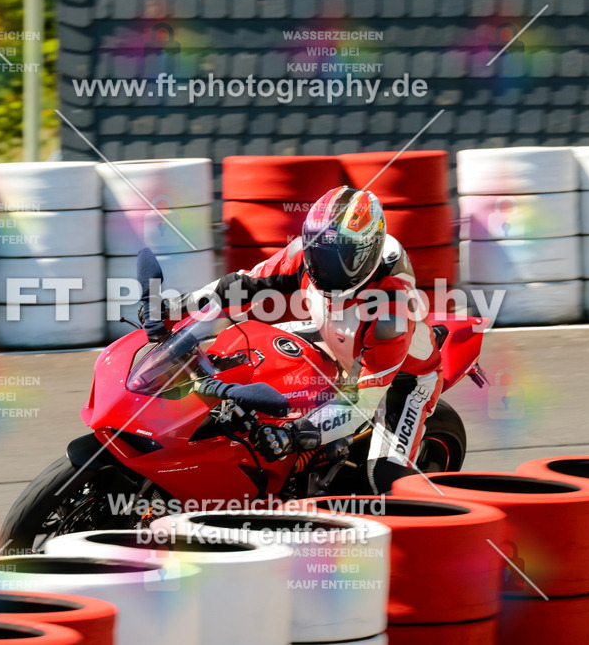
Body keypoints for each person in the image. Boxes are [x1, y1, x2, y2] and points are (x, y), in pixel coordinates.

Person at [157, 186, 443, 494]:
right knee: (235, 354)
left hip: (399, 380)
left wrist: (294, 435)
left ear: (368, 252)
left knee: (386, 482)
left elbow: (362, 401)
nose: (325, 269)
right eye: (319, 254)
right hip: (334, 339)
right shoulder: (307, 254)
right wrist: (175, 306)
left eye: (342, 259)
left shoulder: (391, 312)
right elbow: (243, 284)